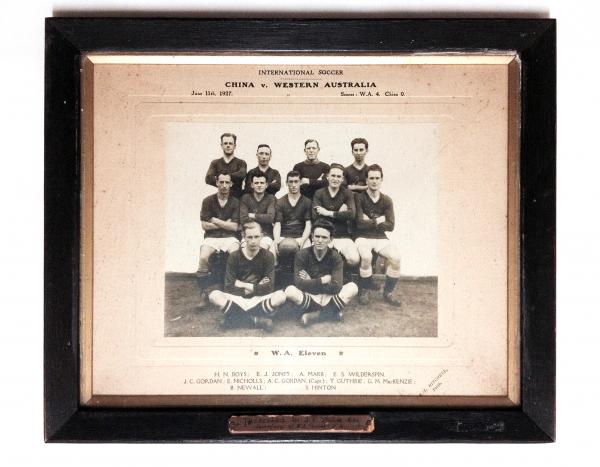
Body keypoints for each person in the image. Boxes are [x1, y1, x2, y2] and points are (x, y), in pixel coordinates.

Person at [208, 222, 286, 332]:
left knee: (281, 296)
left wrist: (242, 284)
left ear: (262, 237)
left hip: (258, 299)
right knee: (214, 295)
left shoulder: (268, 256)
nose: (253, 241)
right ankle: (255, 319)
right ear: (244, 238)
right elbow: (228, 286)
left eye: (256, 237)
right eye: (249, 237)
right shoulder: (234, 256)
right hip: (239, 299)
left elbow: (269, 287)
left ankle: (235, 318)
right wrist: (255, 288)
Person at [285, 220, 358, 327]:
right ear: (312, 237)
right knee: (289, 291)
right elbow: (299, 284)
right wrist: (322, 280)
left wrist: (311, 281)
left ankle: (315, 316)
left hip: (329, 297)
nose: (319, 240)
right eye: (317, 236)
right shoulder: (302, 254)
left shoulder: (335, 256)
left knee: (353, 287)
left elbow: (337, 287)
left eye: (324, 237)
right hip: (311, 296)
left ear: (330, 239)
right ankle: (331, 313)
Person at [354, 164, 402, 307]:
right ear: (367, 181)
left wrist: (369, 221)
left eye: (377, 178)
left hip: (380, 237)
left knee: (396, 258)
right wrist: (379, 220)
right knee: (366, 257)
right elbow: (359, 224)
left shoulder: (387, 200)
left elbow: (391, 225)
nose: (374, 181)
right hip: (362, 236)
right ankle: (365, 289)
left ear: (381, 180)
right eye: (371, 178)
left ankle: (388, 292)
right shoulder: (359, 198)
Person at [197, 172, 240, 289]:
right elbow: (205, 225)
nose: (224, 185)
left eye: (227, 182)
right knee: (203, 257)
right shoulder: (207, 201)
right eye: (221, 182)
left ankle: (232, 288)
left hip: (230, 238)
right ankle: (204, 292)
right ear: (216, 183)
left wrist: (215, 220)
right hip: (211, 238)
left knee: (236, 255)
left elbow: (235, 227)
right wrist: (226, 223)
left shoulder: (236, 202)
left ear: (231, 184)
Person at [312, 163, 360, 267]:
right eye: (333, 175)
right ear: (327, 176)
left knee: (354, 259)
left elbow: (351, 214)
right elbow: (316, 217)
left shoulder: (347, 193)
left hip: (342, 235)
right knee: (316, 258)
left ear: (342, 179)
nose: (335, 179)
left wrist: (328, 212)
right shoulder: (319, 193)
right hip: (324, 235)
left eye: (339, 176)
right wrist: (340, 212)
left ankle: (344, 280)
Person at [273, 171, 312, 267]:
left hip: (300, 236)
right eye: (291, 182)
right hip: (284, 236)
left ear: (300, 183)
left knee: (307, 259)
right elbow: (277, 224)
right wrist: (276, 240)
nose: (293, 185)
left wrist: (302, 240)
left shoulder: (307, 201)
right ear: (287, 183)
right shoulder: (280, 202)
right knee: (273, 257)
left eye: (296, 181)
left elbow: (308, 224)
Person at [239, 173, 276, 251]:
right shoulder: (245, 198)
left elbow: (270, 218)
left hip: (266, 235)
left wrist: (253, 216)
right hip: (249, 235)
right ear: (252, 185)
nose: (259, 185)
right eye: (256, 183)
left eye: (262, 183)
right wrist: (263, 217)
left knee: (263, 251)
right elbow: (243, 219)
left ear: (266, 185)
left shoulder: (271, 198)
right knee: (246, 253)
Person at [205, 132, 247, 198]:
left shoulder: (241, 162)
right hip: (221, 199)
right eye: (225, 143)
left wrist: (223, 177)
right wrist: (231, 179)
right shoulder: (215, 163)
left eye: (230, 143)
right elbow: (208, 178)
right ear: (221, 145)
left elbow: (242, 175)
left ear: (234, 146)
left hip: (237, 199)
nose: (228, 145)